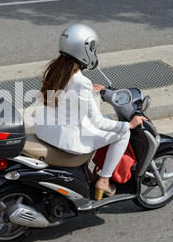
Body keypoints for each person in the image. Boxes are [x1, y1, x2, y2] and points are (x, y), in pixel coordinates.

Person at [34, 24, 147, 200]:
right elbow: (98, 122)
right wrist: (128, 124)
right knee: (122, 133)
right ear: (84, 49)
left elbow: (60, 99)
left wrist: (89, 91)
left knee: (103, 124)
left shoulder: (55, 70)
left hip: (46, 131)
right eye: (92, 48)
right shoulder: (81, 81)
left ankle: (84, 169)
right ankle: (104, 180)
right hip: (67, 141)